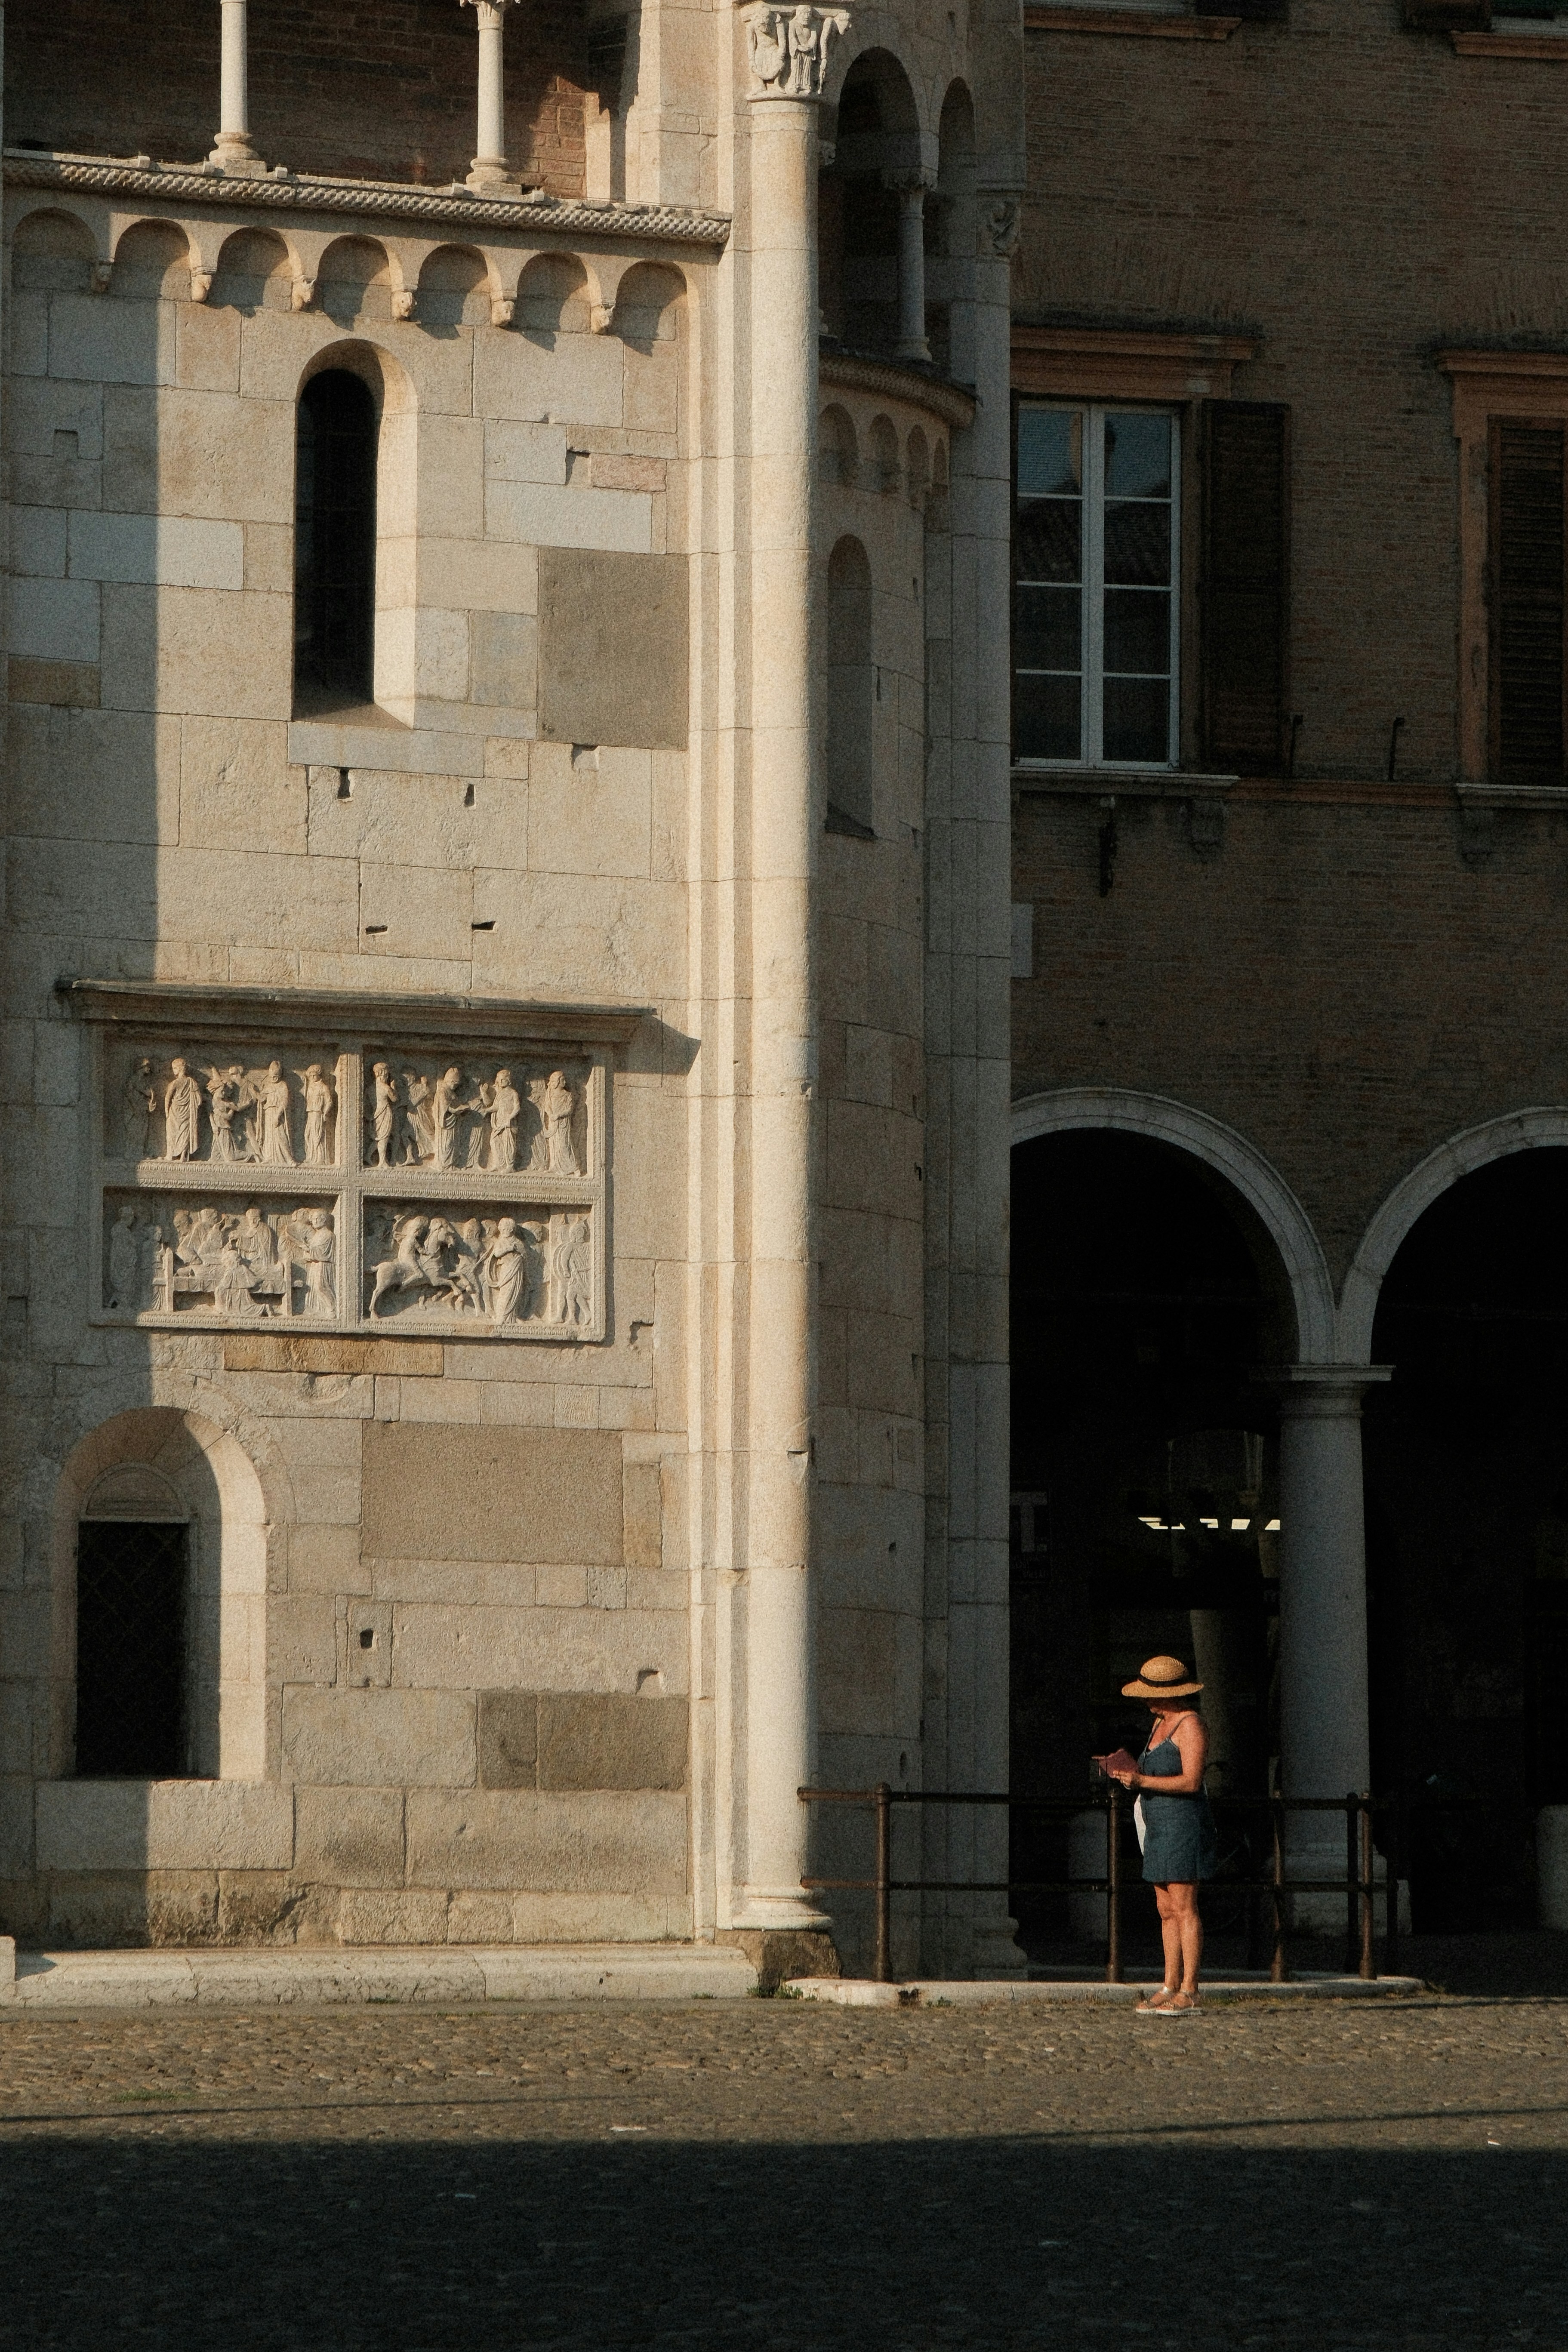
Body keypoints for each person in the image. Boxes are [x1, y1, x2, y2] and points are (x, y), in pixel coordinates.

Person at [1103, 1655, 1218, 2014]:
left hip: (1182, 1823)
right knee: (1165, 1908)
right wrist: (1126, 1772)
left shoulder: (1189, 1725)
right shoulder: (1158, 1724)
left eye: (1151, 1693)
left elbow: (1191, 1780)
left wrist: (1142, 1781)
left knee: (1184, 1907)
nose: (1145, 1700)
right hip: (1157, 1823)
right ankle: (1169, 1983)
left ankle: (1190, 1988)